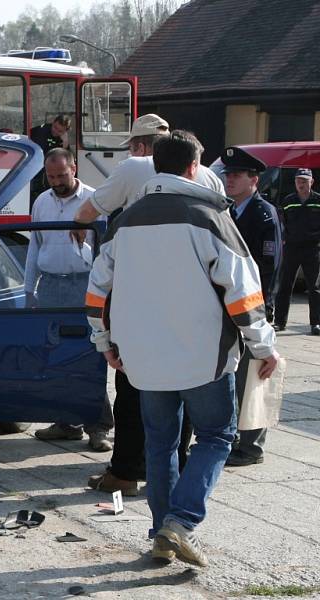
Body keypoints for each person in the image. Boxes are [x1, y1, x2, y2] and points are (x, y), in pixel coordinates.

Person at [86, 130, 279, 568]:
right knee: (216, 436)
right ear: (194, 167)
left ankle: (161, 533)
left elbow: (96, 291)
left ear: (156, 166)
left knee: (160, 446)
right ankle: (180, 522)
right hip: (203, 357)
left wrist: (104, 342)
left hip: (143, 358)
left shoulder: (125, 220)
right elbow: (243, 293)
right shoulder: (211, 216)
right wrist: (263, 347)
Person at [71, 114, 225, 496]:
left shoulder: (135, 170)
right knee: (188, 396)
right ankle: (180, 478)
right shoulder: (209, 179)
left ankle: (126, 472)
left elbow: (90, 210)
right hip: (196, 307)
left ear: (143, 147)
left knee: (132, 392)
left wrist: (77, 225)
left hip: (138, 301)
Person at [24, 148, 113, 452]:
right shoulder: (41, 202)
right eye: (51, 176)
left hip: (84, 286)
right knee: (55, 355)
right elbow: (34, 248)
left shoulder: (95, 200)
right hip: (50, 286)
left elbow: (105, 254)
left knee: (89, 356)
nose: (57, 181)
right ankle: (66, 422)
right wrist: (28, 290)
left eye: (62, 175)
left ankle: (98, 427)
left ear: (74, 168)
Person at [220, 146, 282, 467]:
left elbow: (269, 268)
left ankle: (252, 447)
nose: (229, 180)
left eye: (236, 175)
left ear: (253, 179)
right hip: (231, 308)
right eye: (227, 174)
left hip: (254, 307)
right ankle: (232, 439)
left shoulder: (263, 214)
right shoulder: (229, 211)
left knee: (253, 380)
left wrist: (264, 312)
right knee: (234, 377)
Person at [274, 168, 320, 336]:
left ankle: (316, 323)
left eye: (304, 180)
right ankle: (279, 322)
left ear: (311, 182)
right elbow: (282, 223)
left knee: (314, 288)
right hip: (292, 248)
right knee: (285, 285)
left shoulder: (318, 200)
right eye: (298, 180)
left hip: (312, 249)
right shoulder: (288, 201)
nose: (301, 184)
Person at [30, 115, 72, 200]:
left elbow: (66, 158)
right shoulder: (42, 131)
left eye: (60, 131)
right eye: (55, 127)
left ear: (65, 132)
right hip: (36, 164)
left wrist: (65, 144)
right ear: (53, 122)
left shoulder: (62, 139)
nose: (55, 131)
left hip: (50, 167)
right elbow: (40, 154)